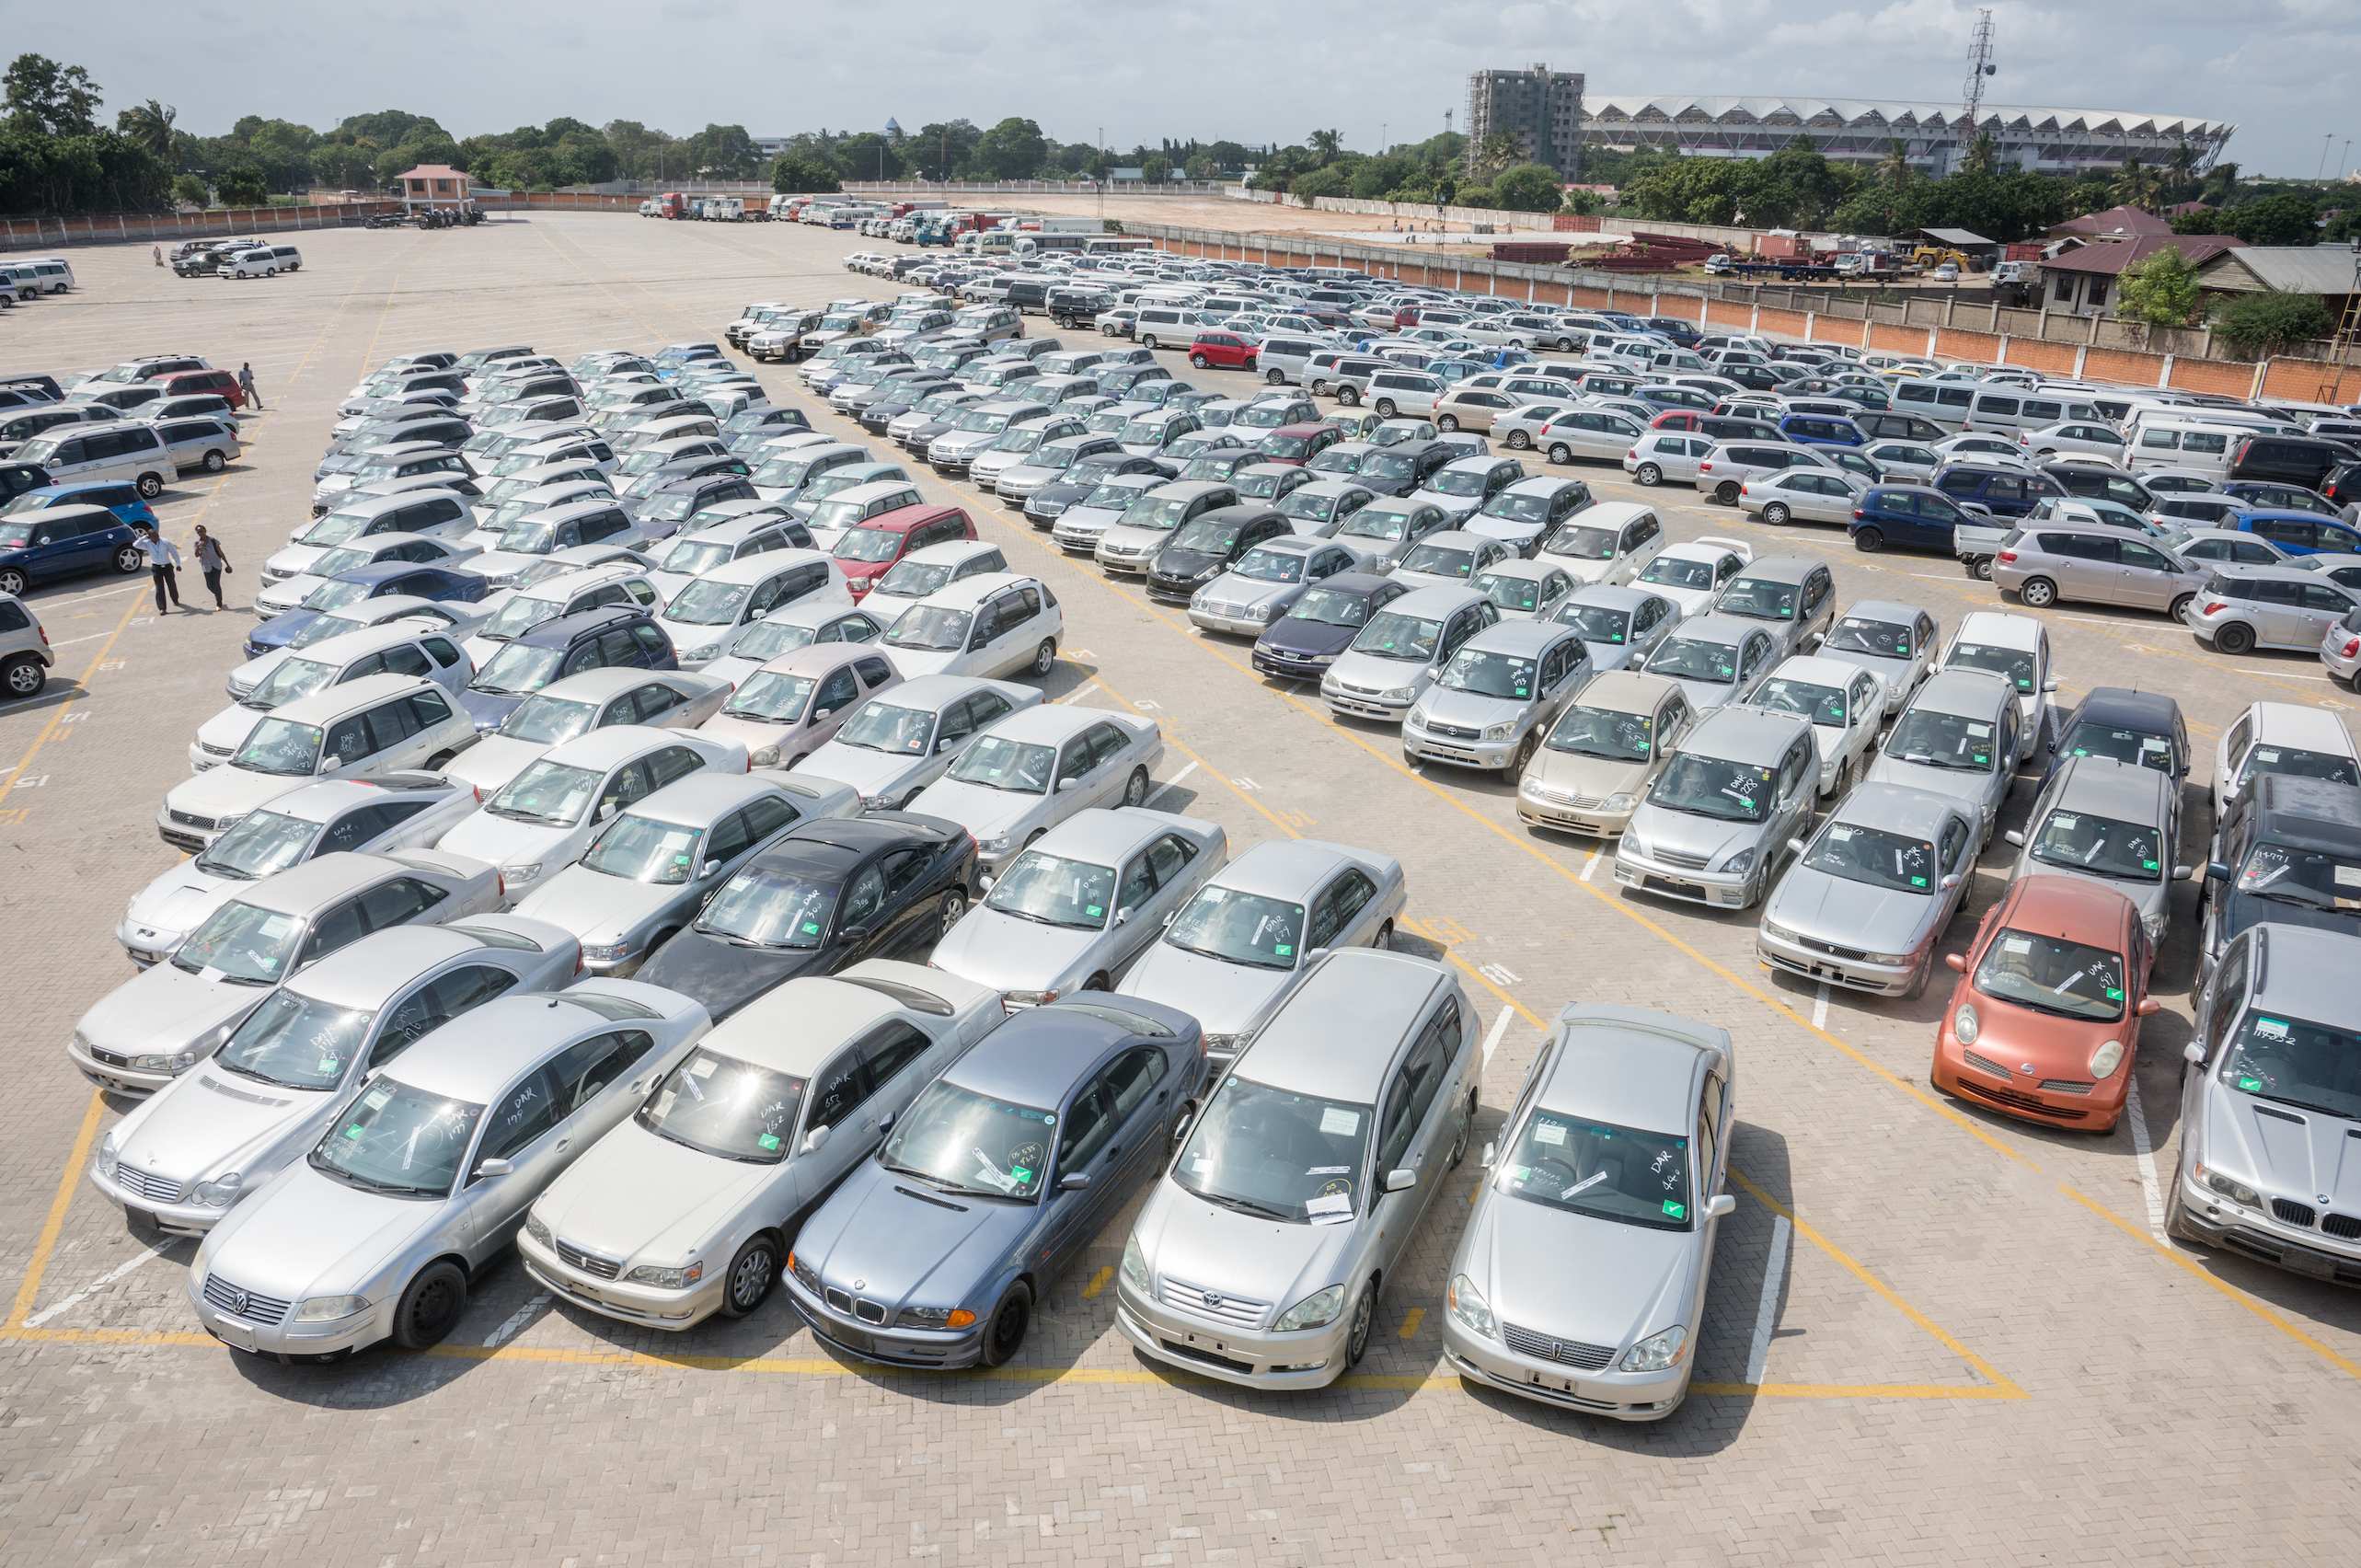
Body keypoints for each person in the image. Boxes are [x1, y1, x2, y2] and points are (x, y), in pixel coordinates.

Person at [135, 525, 184, 614]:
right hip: (156, 567)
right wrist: (143, 537)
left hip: (167, 566)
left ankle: (175, 600)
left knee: (171, 585)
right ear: (149, 537)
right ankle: (162, 608)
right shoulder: (147, 544)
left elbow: (174, 553)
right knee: (159, 588)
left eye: (157, 535)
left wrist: (178, 564)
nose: (156, 537)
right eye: (153, 536)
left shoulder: (165, 542)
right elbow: (135, 545)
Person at [192, 525, 231, 610]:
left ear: (205, 531)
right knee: (209, 585)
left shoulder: (213, 541)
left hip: (216, 565)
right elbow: (196, 555)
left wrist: (227, 564)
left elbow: (221, 553)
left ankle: (219, 603)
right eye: (198, 532)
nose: (200, 533)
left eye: (202, 531)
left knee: (216, 583)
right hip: (206, 566)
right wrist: (198, 548)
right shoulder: (197, 543)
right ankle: (218, 594)